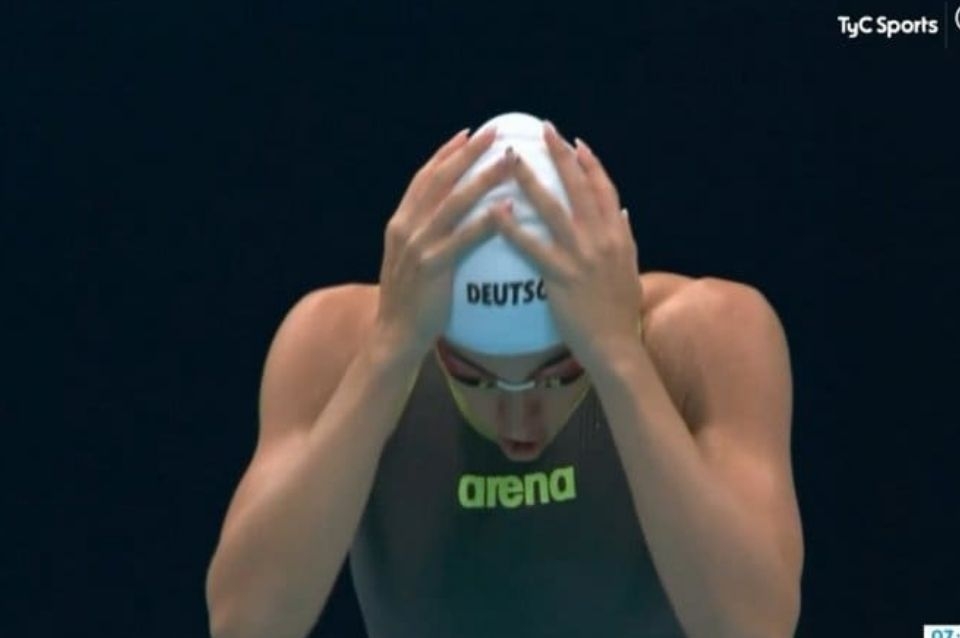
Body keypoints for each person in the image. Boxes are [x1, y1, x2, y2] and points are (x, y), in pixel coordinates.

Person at [205, 113, 804, 638]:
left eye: (558, 375)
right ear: (434, 338)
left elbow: (757, 627)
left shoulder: (702, 339)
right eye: (475, 379)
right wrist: (388, 355)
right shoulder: (340, 345)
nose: (519, 424)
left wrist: (620, 358)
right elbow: (245, 625)